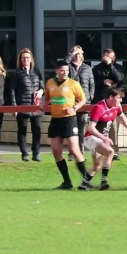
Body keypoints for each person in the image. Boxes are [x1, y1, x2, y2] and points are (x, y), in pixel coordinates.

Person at [44, 60, 87, 190]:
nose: (64, 73)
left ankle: (87, 180)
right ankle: (67, 181)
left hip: (69, 119)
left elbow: (83, 100)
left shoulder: (74, 84)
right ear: (56, 71)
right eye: (62, 70)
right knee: (56, 151)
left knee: (74, 150)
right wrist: (42, 104)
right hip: (55, 119)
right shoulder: (50, 83)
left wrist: (74, 108)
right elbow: (47, 99)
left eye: (67, 70)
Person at [79, 87, 127, 191]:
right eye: (119, 98)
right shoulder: (99, 107)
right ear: (111, 97)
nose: (121, 100)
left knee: (97, 166)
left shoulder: (116, 106)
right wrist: (104, 138)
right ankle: (104, 181)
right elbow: (91, 128)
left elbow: (122, 116)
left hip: (101, 140)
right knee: (110, 152)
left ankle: (83, 185)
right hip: (91, 138)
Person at [9, 48, 44, 162]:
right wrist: (14, 106)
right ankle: (24, 153)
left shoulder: (37, 71)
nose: (25, 60)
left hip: (36, 105)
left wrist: (40, 91)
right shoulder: (16, 73)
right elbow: (12, 90)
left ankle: (36, 153)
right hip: (22, 105)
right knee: (22, 130)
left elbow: (42, 86)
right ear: (20, 59)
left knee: (37, 130)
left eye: (28, 58)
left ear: (31, 59)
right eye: (23, 58)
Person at [92, 48, 124, 160]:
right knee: (99, 128)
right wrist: (103, 82)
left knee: (113, 128)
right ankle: (100, 150)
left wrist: (110, 66)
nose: (107, 58)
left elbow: (120, 79)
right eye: (106, 56)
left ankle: (114, 151)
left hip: (114, 103)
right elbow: (92, 83)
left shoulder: (118, 68)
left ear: (114, 58)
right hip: (100, 103)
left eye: (110, 57)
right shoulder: (96, 69)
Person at [65, 46, 95, 160]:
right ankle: (72, 153)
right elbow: (62, 65)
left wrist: (90, 96)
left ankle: (80, 152)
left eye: (79, 53)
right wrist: (70, 54)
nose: (77, 55)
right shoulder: (68, 67)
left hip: (84, 102)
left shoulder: (87, 68)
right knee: (72, 129)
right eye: (75, 53)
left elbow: (92, 84)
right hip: (71, 102)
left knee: (81, 130)